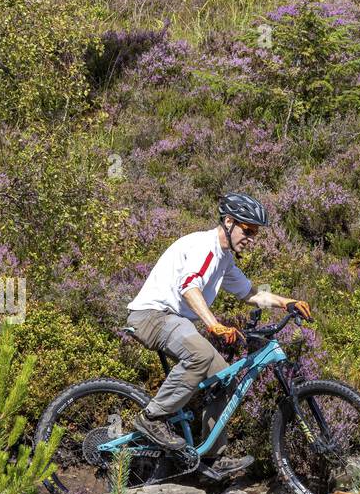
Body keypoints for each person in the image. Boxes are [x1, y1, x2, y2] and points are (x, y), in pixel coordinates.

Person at [124, 192, 311, 474]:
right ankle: (152, 418)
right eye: (247, 230)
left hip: (174, 320)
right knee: (199, 355)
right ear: (228, 222)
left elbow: (250, 293)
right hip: (152, 316)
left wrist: (286, 302)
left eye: (255, 233)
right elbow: (189, 287)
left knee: (221, 378)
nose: (251, 238)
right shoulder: (205, 247)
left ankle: (211, 459)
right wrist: (213, 324)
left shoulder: (224, 259)